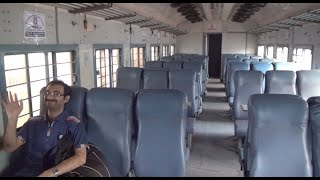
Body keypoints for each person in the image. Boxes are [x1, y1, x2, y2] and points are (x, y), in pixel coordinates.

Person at [1, 80, 88, 177]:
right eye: (47, 93)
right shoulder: (32, 123)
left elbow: (80, 157)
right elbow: (9, 147)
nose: (50, 96)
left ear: (66, 99)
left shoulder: (74, 124)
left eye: (56, 94)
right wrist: (12, 118)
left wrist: (49, 173)